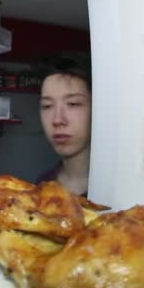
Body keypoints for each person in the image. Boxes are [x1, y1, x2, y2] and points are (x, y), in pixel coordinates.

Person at [35, 54, 92, 197]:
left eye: (73, 104)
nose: (57, 119)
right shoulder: (43, 185)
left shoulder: (119, 188)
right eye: (47, 106)